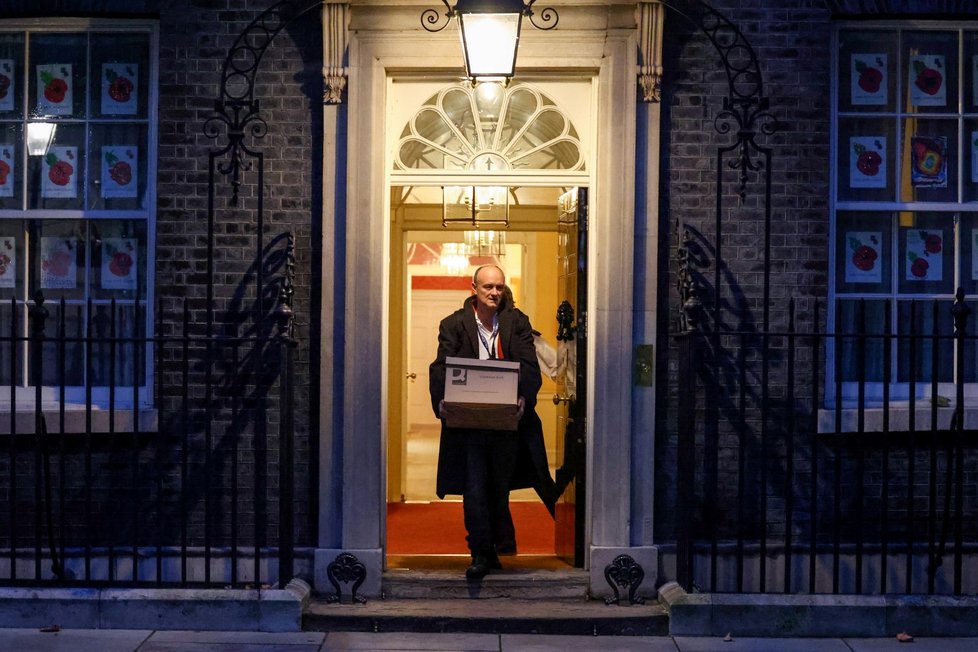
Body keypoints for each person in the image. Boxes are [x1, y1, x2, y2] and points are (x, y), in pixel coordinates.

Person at [428, 265, 556, 580]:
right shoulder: (454, 324)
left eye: (499, 287)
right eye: (488, 287)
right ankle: (480, 554)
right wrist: (442, 401)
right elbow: (441, 366)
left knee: (498, 489)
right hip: (469, 425)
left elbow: (529, 365)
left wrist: (524, 396)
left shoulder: (517, 322)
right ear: (474, 288)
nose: (494, 293)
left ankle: (493, 548)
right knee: (474, 489)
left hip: (506, 425)